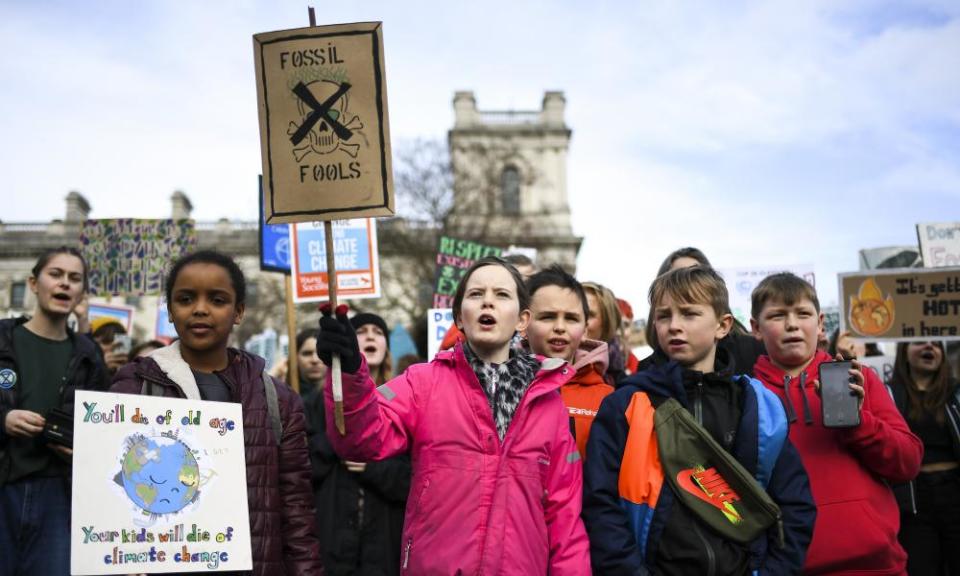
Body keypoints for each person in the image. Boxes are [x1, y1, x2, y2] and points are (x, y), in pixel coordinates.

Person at [315, 256, 590, 574]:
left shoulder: (548, 403)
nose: (488, 300)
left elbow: (565, 519)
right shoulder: (422, 382)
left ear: (522, 320)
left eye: (502, 294)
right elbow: (360, 440)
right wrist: (349, 371)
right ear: (460, 316)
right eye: (476, 294)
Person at [583, 266, 815, 575]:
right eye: (664, 316)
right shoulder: (626, 403)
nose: (674, 326)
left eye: (689, 314)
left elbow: (795, 505)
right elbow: (601, 503)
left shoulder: (758, 407)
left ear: (723, 325)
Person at [111, 250, 322, 576]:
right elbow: (109, 496)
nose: (200, 309)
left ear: (238, 312)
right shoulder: (133, 387)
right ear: (169, 310)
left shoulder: (277, 400)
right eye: (185, 298)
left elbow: (296, 509)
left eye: (217, 299)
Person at [750, 272, 922, 575]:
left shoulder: (859, 379)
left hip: (877, 564)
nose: (792, 324)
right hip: (788, 566)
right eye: (777, 315)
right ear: (755, 328)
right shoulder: (747, 396)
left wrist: (859, 424)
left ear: (819, 324)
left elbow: (907, 464)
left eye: (803, 314)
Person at [0, 246, 109, 575]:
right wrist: (2, 419)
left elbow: (103, 426)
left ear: (81, 294)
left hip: (59, 494)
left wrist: (83, 449)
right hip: (5, 485)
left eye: (74, 279)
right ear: (34, 283)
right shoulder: (3, 337)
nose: (65, 284)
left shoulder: (90, 354)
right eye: (56, 275)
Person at [303, 313, 410, 576]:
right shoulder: (315, 403)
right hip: (331, 540)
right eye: (361, 330)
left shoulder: (405, 399)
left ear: (386, 347)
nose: (371, 336)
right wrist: (344, 439)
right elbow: (301, 468)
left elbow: (414, 478)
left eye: (378, 331)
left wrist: (371, 467)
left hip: (384, 544)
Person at [525, 265, 613, 459]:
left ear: (585, 329)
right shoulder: (500, 391)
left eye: (571, 319)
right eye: (547, 317)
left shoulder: (610, 400)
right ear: (523, 323)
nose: (559, 327)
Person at [888, 341, 960, 575]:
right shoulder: (888, 396)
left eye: (937, 344)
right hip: (913, 500)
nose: (929, 347)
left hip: (955, 493)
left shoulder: (956, 394)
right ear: (904, 353)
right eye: (920, 342)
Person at [644, 246, 765, 376]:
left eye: (695, 274)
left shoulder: (751, 362)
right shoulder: (641, 380)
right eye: (677, 276)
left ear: (723, 325)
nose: (685, 282)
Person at [582, 281, 626, 385]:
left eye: (588, 314)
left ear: (607, 324)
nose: (579, 321)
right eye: (573, 314)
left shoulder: (621, 386)